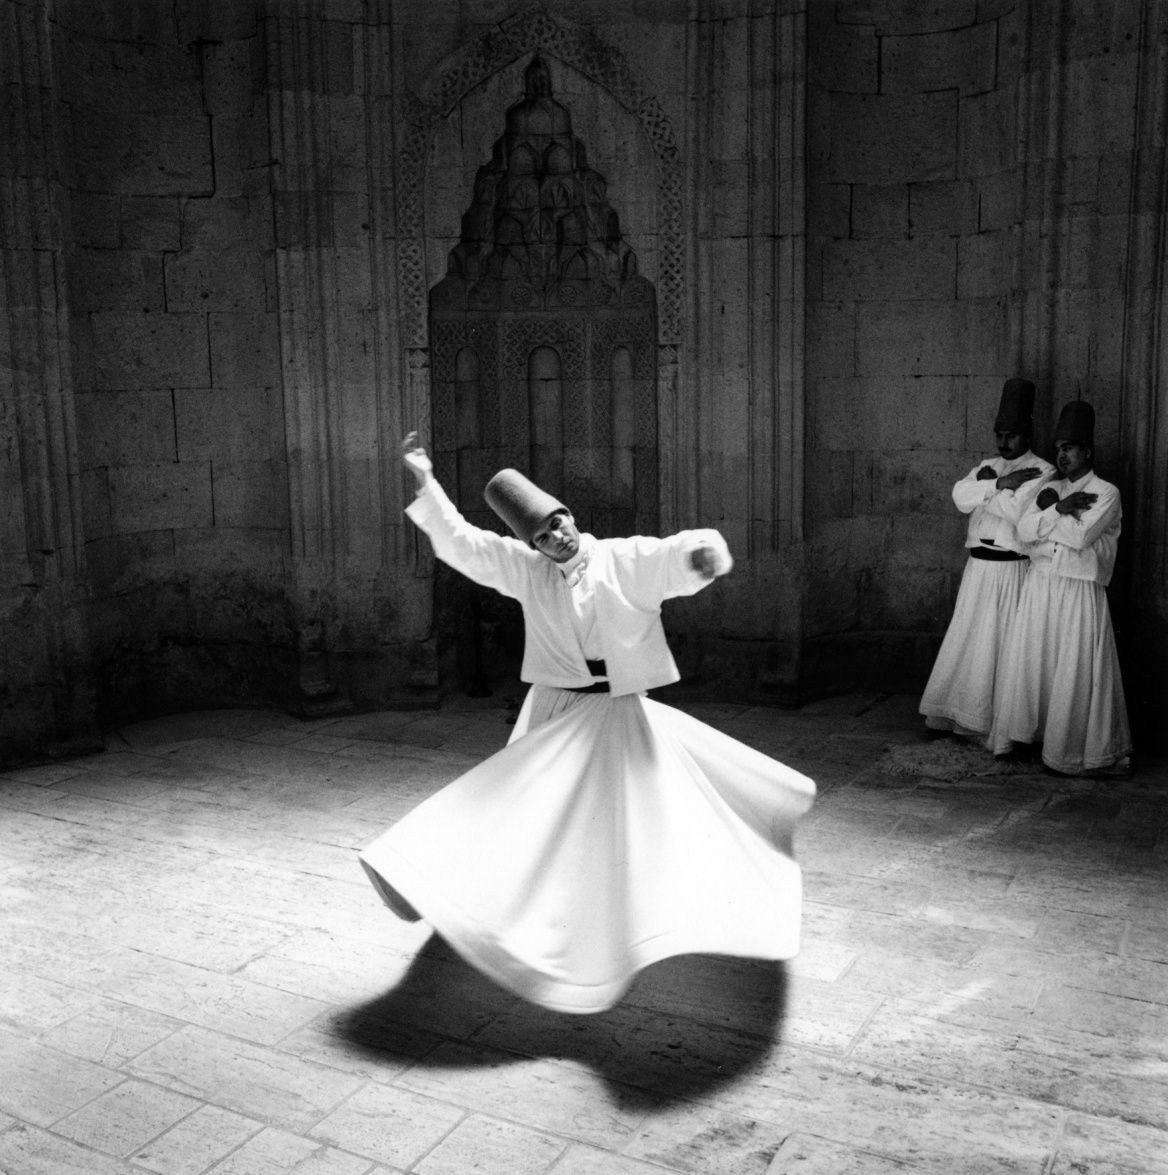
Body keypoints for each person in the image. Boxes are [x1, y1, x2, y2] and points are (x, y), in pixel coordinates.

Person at [359, 432, 817, 1014]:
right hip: (556, 709)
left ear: (570, 516)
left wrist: (703, 554)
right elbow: (464, 544)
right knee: (520, 815)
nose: (556, 537)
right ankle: (431, 882)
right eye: (542, 535)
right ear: (532, 543)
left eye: (558, 523)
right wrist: (426, 482)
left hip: (617, 710)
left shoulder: (623, 557)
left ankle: (618, 919)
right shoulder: (526, 571)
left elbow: (673, 556)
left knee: (630, 817)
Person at [988, 401, 1132, 775]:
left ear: (1086, 451)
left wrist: (1057, 518)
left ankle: (1069, 751)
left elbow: (1082, 536)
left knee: (1073, 667)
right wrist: (1058, 508)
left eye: (1069, 447)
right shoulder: (1050, 489)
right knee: (1036, 662)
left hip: (1078, 590)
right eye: (1058, 448)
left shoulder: (1107, 492)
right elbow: (1023, 532)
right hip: (1041, 586)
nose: (1061, 455)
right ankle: (1029, 737)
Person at [919, 379, 1054, 739]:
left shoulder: (1043, 471)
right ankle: (957, 714)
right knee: (970, 640)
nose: (1003, 442)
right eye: (999, 435)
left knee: (1001, 644)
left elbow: (1015, 511)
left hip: (1010, 569)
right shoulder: (988, 465)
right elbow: (959, 496)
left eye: (1011, 436)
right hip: (978, 567)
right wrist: (996, 485)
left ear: (1026, 436)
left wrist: (991, 491)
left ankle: (994, 722)